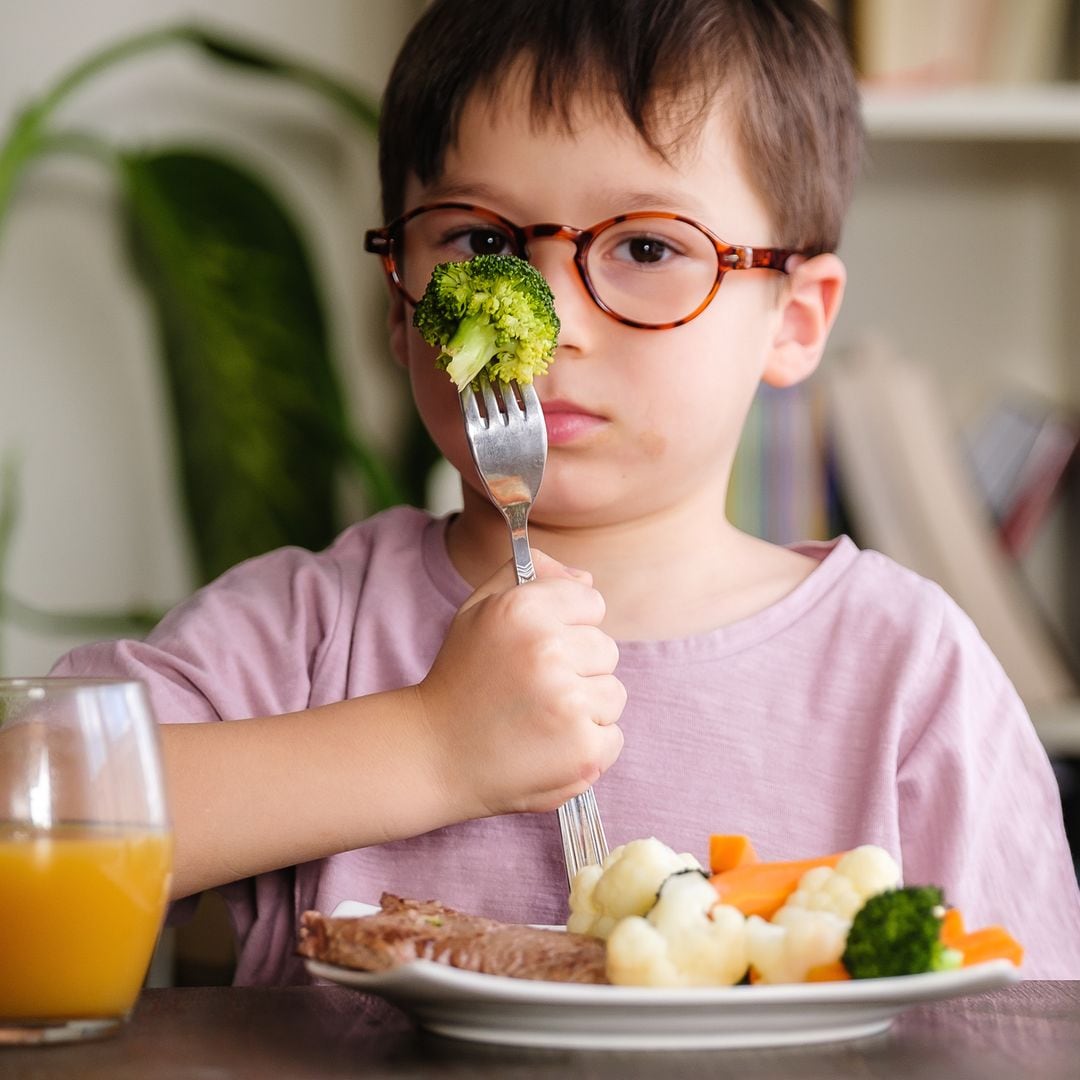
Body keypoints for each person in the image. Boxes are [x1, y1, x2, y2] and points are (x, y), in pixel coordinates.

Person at [53, 0, 1080, 984]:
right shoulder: (308, 632)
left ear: (795, 320)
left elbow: (1025, 1024)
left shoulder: (910, 672)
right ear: (401, 308)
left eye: (645, 248)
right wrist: (425, 745)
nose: (549, 324)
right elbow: (33, 802)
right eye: (480, 245)